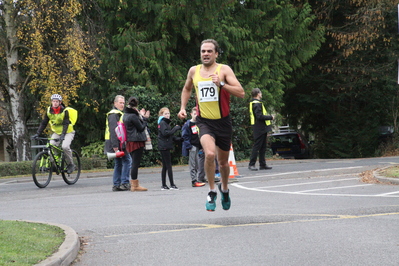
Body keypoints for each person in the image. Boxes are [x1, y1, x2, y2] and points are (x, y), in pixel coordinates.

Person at [178, 39, 245, 211]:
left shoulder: (224, 70)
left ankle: (225, 189)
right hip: (204, 121)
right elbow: (186, 89)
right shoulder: (194, 71)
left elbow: (241, 92)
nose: (205, 54)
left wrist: (221, 84)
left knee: (223, 164)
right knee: (208, 154)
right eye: (203, 51)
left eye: (209, 51)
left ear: (216, 54)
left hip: (223, 122)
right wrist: (183, 107)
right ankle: (211, 191)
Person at [33, 94, 76, 174]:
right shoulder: (49, 110)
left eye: (57, 101)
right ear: (51, 102)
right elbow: (44, 123)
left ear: (60, 102)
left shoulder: (64, 111)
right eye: (53, 101)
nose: (55, 103)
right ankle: (54, 165)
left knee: (65, 146)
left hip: (68, 132)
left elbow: (66, 124)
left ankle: (71, 164)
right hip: (57, 132)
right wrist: (37, 134)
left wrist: (63, 135)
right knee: (51, 145)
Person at [104, 95, 132, 191]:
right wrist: (115, 146)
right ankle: (124, 183)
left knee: (119, 162)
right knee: (127, 161)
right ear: (115, 103)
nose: (122, 105)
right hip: (117, 143)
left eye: (123, 103)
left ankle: (117, 184)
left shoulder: (118, 113)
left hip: (117, 142)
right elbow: (113, 130)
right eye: (120, 103)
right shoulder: (114, 114)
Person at [124, 96, 149, 192]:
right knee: (135, 163)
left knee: (133, 162)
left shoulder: (126, 114)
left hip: (130, 140)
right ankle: (134, 185)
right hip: (137, 141)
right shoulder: (133, 116)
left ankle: (134, 184)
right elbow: (141, 127)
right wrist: (145, 118)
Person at [248, 88, 274, 171]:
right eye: (260, 93)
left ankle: (262, 164)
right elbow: (259, 116)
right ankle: (251, 164)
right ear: (258, 94)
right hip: (260, 127)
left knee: (262, 146)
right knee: (257, 146)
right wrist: (270, 117)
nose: (261, 94)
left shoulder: (254, 103)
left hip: (260, 127)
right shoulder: (257, 104)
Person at [182, 107, 206, 187]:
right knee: (193, 164)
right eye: (194, 114)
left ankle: (200, 178)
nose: (196, 116)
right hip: (192, 146)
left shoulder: (199, 123)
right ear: (191, 114)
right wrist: (188, 146)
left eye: (197, 114)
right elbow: (185, 136)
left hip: (199, 146)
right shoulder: (188, 124)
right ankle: (194, 180)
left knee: (199, 164)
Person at [158, 107, 181, 190]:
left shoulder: (164, 123)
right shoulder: (163, 123)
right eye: (165, 114)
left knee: (165, 166)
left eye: (168, 113)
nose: (167, 115)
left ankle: (164, 185)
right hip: (164, 146)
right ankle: (172, 184)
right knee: (168, 165)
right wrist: (175, 128)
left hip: (164, 146)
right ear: (161, 115)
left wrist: (179, 139)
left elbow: (170, 135)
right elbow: (165, 133)